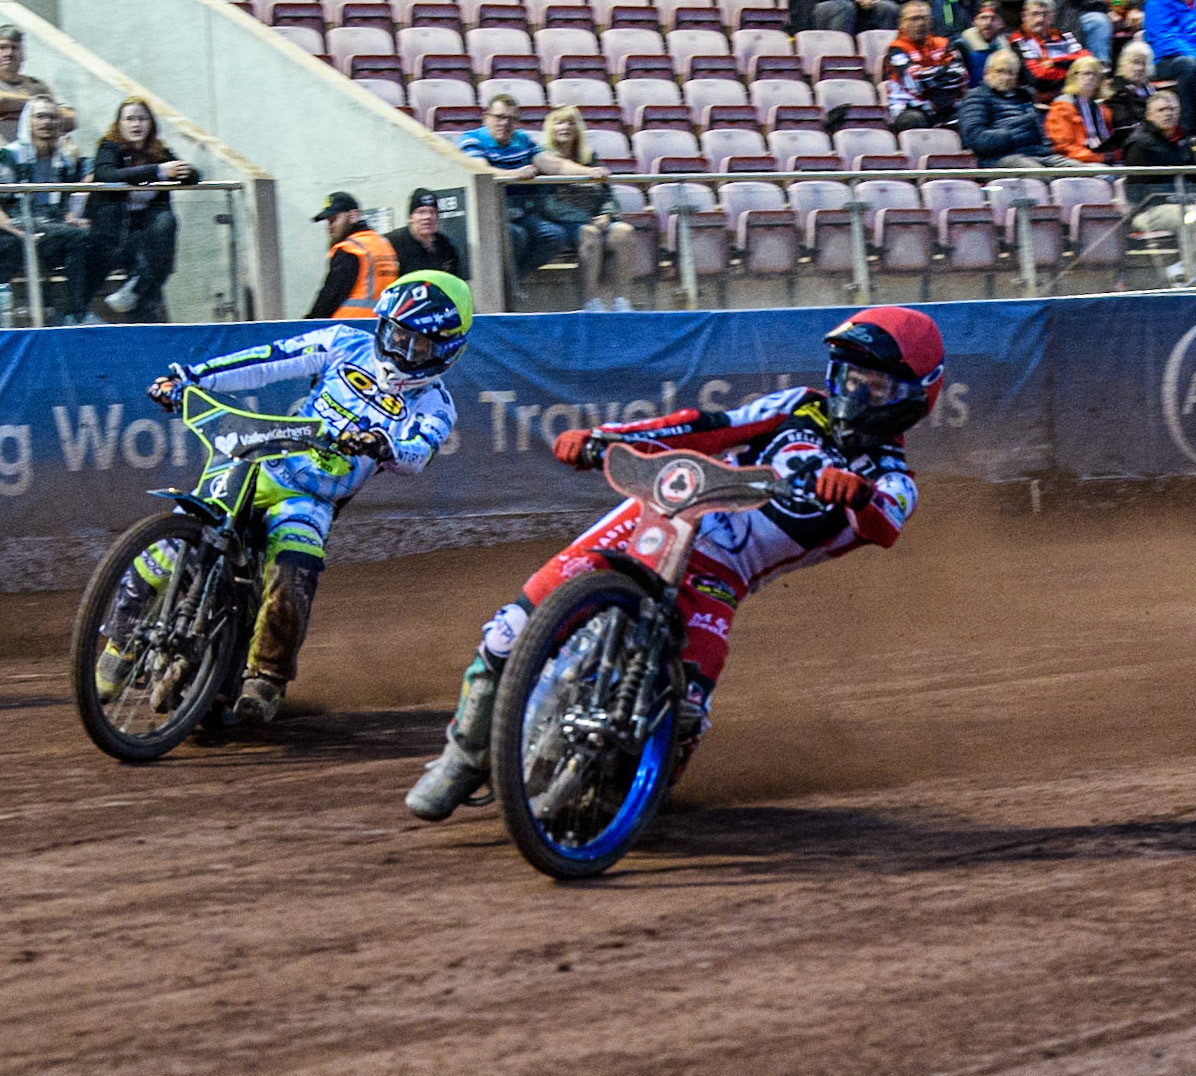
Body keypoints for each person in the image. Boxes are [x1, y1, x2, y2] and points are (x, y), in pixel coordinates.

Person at [406, 306, 943, 822]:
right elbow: (704, 426)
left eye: (875, 386)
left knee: (688, 705)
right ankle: (461, 757)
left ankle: (636, 795)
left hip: (721, 577)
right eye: (850, 376)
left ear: (913, 399)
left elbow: (887, 523)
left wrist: (858, 494)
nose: (855, 392)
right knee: (510, 630)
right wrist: (606, 438)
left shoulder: (893, 479)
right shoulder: (799, 406)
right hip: (660, 516)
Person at [139, 272, 472, 722]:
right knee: (180, 532)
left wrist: (385, 445)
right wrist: (190, 378)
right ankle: (119, 636)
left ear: (447, 351)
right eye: (395, 335)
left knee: (295, 565)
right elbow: (268, 360)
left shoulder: (436, 404)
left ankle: (266, 677)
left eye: (419, 345)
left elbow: (420, 451)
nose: (401, 351)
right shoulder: (343, 342)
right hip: (259, 459)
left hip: (311, 497)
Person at [457, 94, 607, 285]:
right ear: (487, 117)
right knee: (516, 236)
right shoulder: (472, 139)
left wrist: (590, 171)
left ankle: (513, 284)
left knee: (554, 235)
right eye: (500, 117)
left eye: (511, 119)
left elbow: (554, 165)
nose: (505, 123)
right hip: (489, 215)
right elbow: (482, 171)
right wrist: (515, 173)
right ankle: (506, 288)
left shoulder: (522, 139)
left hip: (520, 213)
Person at [85, 97, 198, 324]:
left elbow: (195, 176)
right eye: (130, 119)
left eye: (142, 119)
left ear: (151, 124)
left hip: (148, 225)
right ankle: (139, 303)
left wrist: (184, 172)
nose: (136, 124)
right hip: (114, 225)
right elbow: (108, 176)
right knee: (152, 259)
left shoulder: (160, 150)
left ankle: (135, 293)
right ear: (119, 124)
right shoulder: (108, 147)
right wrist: (157, 171)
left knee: (166, 223)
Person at [0, 95, 92, 325]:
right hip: (14, 226)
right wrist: (18, 231)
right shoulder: (10, 155)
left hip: (50, 227)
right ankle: (75, 314)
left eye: (52, 117)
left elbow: (66, 201)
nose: (47, 122)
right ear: (29, 121)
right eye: (40, 116)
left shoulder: (63, 159)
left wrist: (73, 217)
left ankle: (74, 314)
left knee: (86, 238)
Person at [1121, 89, 1196, 250]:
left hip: (1186, 203)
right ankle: (1194, 271)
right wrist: (1186, 200)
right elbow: (1139, 191)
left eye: (1172, 109)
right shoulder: (1139, 144)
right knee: (1193, 217)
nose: (1168, 114)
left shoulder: (1182, 140)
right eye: (1161, 110)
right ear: (1149, 115)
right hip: (1149, 209)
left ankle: (1183, 268)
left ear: (1179, 113)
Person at [538, 105, 616, 310]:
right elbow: (546, 204)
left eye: (571, 122)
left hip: (595, 219)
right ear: (550, 128)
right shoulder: (543, 159)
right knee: (590, 234)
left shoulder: (590, 158)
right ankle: (589, 301)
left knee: (625, 233)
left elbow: (607, 193)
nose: (566, 127)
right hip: (562, 223)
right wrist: (586, 220)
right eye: (560, 122)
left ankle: (621, 301)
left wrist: (607, 214)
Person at [960, 49, 1092, 164]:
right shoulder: (976, 97)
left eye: (1011, 73)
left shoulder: (1026, 96)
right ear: (986, 72)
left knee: (1086, 172)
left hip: (1039, 154)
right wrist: (1017, 132)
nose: (1005, 77)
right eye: (1000, 71)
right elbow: (977, 140)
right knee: (1041, 177)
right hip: (1000, 158)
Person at [1143, 0, 1196, 136]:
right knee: (1188, 65)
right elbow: (1165, 38)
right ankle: (1187, 131)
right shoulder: (1157, 3)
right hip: (1168, 60)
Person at [306, 191, 398, 320]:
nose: (330, 227)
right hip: (382, 326)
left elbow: (329, 298)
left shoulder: (350, 249)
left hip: (348, 329)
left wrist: (305, 324)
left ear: (354, 216)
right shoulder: (383, 245)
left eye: (334, 220)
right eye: (328, 222)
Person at [884, 0, 970, 129]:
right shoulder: (896, 49)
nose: (920, 23)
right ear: (902, 23)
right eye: (914, 19)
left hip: (945, 108)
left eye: (925, 18)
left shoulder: (943, 43)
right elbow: (914, 83)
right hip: (909, 110)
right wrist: (944, 72)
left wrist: (926, 74)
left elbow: (962, 76)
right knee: (914, 120)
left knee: (971, 117)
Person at [0, 24, 71, 141]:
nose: (9, 53)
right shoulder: (38, 95)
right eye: (2, 48)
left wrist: (23, 111)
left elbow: (70, 119)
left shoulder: (37, 86)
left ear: (23, 54)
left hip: (38, 156)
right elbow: (2, 100)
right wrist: (41, 108)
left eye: (14, 48)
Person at [1045, 55, 1119, 161]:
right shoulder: (1062, 106)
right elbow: (1064, 148)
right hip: (1075, 161)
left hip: (1100, 158)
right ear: (1073, 77)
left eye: (1095, 74)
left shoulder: (1101, 107)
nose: (1090, 78)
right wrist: (1099, 158)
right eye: (1086, 73)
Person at [1015, 0, 1089, 101]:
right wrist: (1072, 72)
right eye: (1035, 14)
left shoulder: (1065, 36)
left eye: (1045, 14)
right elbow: (1038, 78)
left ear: (1052, 17)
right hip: (1039, 101)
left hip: (1074, 94)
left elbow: (1086, 60)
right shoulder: (1019, 40)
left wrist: (1054, 62)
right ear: (1024, 16)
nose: (1040, 19)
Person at [386, 188, 462, 279]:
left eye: (432, 212)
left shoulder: (446, 247)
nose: (427, 217)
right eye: (421, 212)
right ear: (410, 218)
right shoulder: (392, 243)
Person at [952, 0, 1031, 86]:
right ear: (974, 22)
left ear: (1001, 23)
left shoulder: (1011, 45)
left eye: (993, 19)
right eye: (983, 18)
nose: (988, 23)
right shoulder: (962, 46)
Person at [1107, 38, 1157, 128]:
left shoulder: (1151, 91)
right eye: (1135, 62)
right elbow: (1125, 124)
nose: (1140, 68)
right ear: (1123, 64)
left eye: (1144, 63)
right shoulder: (1116, 92)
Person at [813, 0, 902, 32]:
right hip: (828, 5)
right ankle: (840, 58)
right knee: (844, 7)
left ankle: (887, 57)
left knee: (888, 7)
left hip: (862, 7)